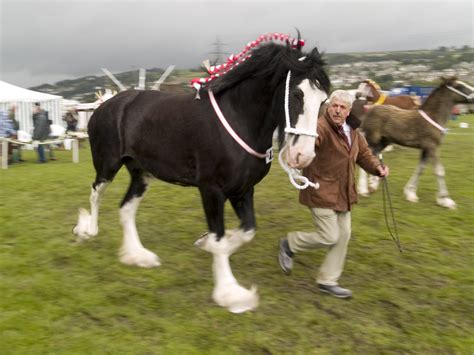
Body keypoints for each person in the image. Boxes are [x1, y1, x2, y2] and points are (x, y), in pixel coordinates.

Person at [278, 90, 389, 299]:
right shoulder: (319, 128)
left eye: (342, 107)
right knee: (329, 235)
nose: (337, 110)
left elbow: (364, 154)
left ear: (348, 111)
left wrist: (377, 169)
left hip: (343, 192)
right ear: (328, 107)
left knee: (344, 235)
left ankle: (327, 280)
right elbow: (305, 145)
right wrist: (294, 156)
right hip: (320, 190)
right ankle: (289, 243)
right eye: (334, 106)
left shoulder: (353, 131)